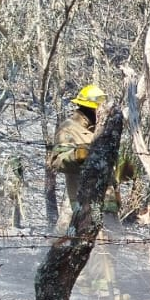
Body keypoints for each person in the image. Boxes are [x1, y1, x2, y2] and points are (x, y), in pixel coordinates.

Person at [47, 83, 104, 229]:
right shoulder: (69, 128)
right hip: (83, 203)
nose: (103, 112)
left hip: (107, 202)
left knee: (112, 244)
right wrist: (81, 154)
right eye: (100, 108)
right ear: (90, 108)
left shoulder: (101, 128)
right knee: (94, 246)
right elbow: (57, 160)